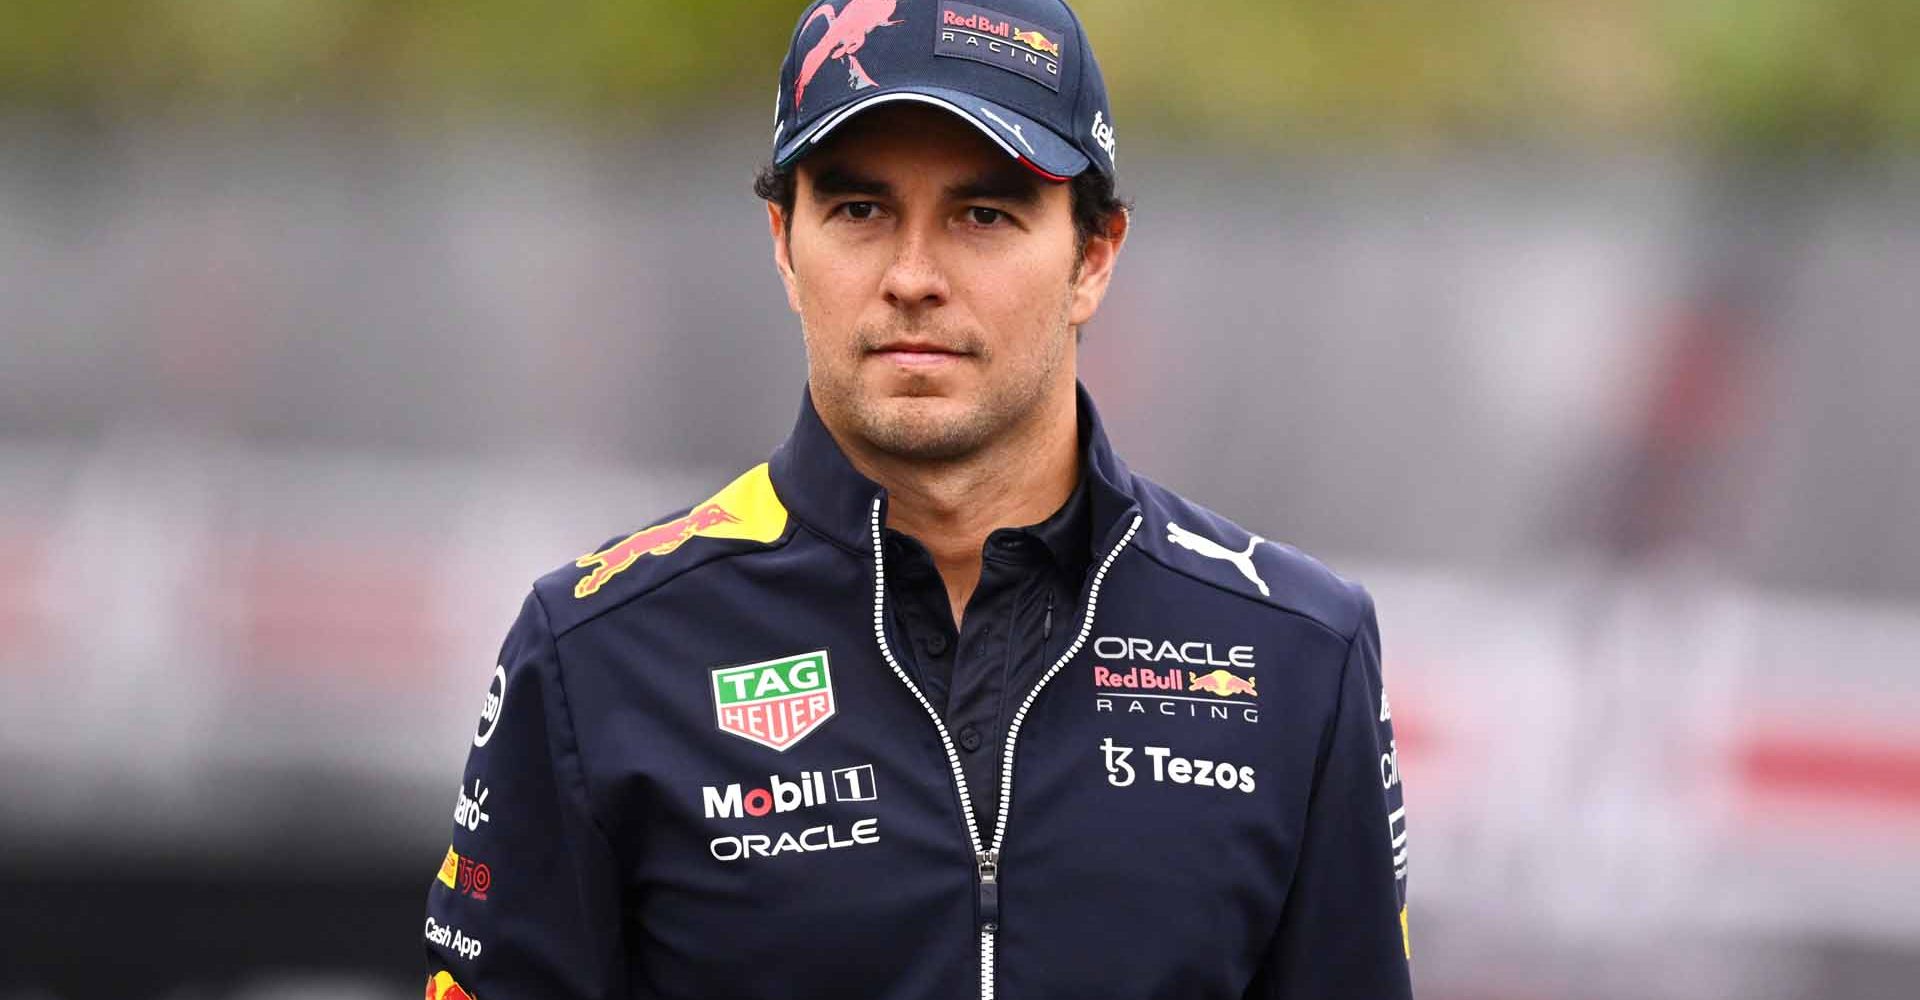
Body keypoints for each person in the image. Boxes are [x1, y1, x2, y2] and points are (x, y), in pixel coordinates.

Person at [423, 1, 1412, 997]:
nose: (913, 277)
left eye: (983, 215)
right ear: (782, 240)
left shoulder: (1295, 651)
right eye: (860, 211)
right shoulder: (597, 648)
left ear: (1094, 256)